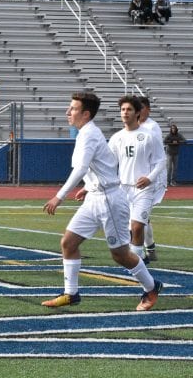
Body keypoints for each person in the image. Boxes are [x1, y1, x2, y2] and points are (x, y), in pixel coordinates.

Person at [41, 92, 161, 311]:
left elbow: (81, 168)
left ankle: (151, 287)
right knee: (68, 243)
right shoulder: (85, 133)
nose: (68, 112)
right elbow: (101, 165)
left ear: (86, 114)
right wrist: (88, 187)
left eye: (73, 109)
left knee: (120, 255)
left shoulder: (89, 135)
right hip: (95, 197)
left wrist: (59, 196)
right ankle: (71, 293)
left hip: (109, 201)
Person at [107, 96, 165, 264]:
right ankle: (136, 261)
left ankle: (135, 264)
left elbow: (161, 161)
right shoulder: (117, 137)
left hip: (144, 189)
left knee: (137, 227)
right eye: (123, 109)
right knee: (126, 230)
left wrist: (149, 178)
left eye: (129, 109)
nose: (125, 112)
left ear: (137, 113)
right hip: (123, 189)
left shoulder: (149, 135)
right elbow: (109, 163)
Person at [138, 97, 167, 261]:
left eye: (141, 108)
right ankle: (150, 249)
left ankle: (140, 253)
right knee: (140, 217)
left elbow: (158, 157)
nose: (138, 111)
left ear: (148, 109)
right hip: (138, 178)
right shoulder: (133, 127)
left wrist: (151, 177)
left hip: (152, 178)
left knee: (138, 217)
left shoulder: (152, 127)